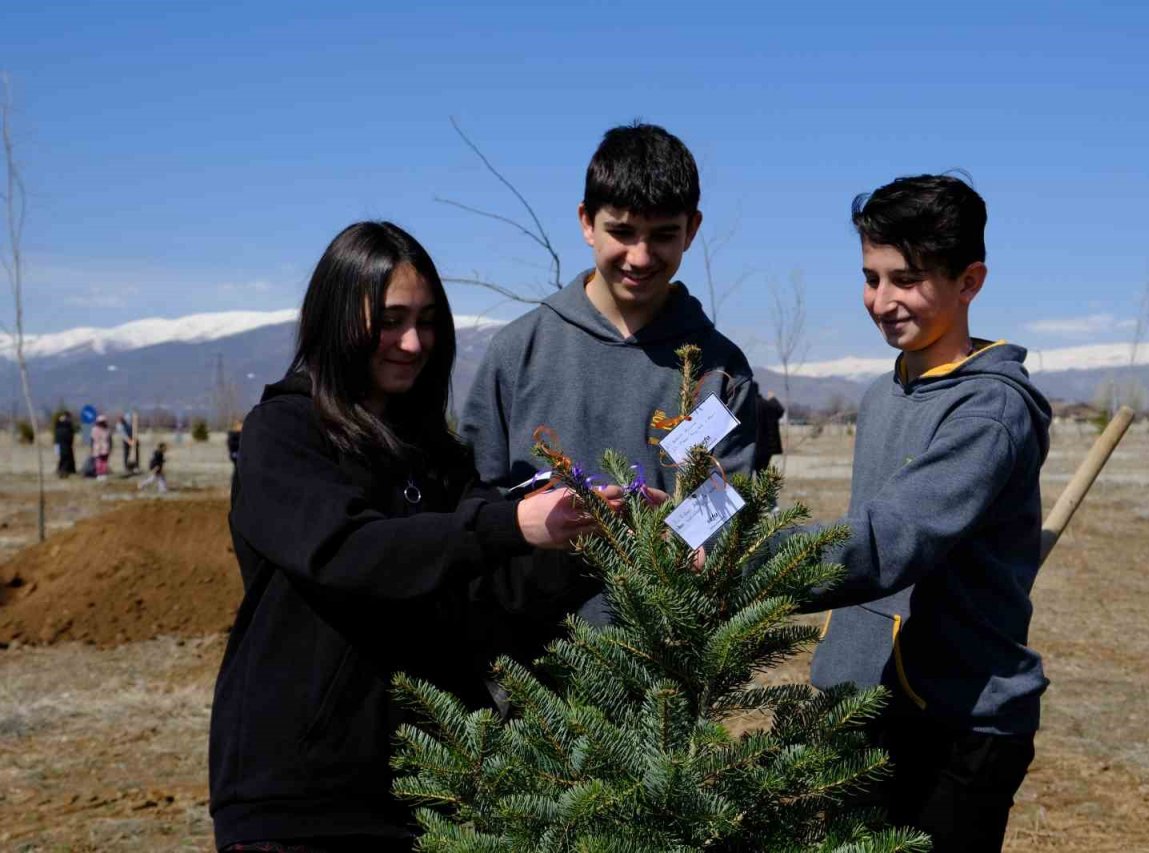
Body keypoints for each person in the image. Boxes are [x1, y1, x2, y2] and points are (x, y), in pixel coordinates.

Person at [208, 222, 608, 853]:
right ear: (337, 319)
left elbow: (497, 587)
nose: (413, 343)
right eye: (390, 321)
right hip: (298, 801)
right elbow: (350, 553)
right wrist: (507, 524)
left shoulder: (437, 457)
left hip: (430, 792)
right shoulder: (283, 435)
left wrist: (596, 536)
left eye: (427, 321)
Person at [805, 175, 1052, 852]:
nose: (882, 301)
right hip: (867, 697)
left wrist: (749, 554)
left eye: (906, 280)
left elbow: (891, 541)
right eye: (871, 278)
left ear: (969, 281)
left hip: (960, 723)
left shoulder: (990, 410)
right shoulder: (883, 393)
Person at [460, 122, 758, 624]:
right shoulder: (518, 351)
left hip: (666, 649)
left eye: (663, 235)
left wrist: (673, 528)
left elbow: (729, 506)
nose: (640, 257)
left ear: (692, 229)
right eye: (621, 232)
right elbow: (473, 503)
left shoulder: (719, 371)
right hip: (527, 648)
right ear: (586, 222)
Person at [752, 386, 786, 472]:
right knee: (762, 474)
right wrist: (773, 399)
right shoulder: (767, 404)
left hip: (750, 447)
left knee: (746, 475)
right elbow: (780, 410)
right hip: (765, 448)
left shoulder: (747, 405)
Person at [53, 411, 76, 478]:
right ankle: (64, 472)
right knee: (65, 459)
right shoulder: (67, 425)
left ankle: (60, 470)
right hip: (65, 445)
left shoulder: (58, 424)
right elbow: (70, 436)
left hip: (58, 444)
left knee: (61, 458)